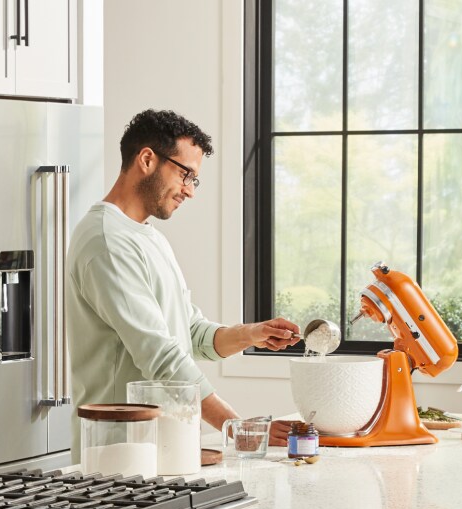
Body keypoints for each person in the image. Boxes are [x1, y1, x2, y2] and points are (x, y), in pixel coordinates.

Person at [68, 109, 300, 439]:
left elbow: (189, 333)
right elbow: (161, 357)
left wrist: (251, 334)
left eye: (194, 180)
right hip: (120, 450)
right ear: (147, 159)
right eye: (184, 175)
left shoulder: (147, 238)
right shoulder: (107, 242)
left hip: (161, 447)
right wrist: (239, 428)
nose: (189, 190)